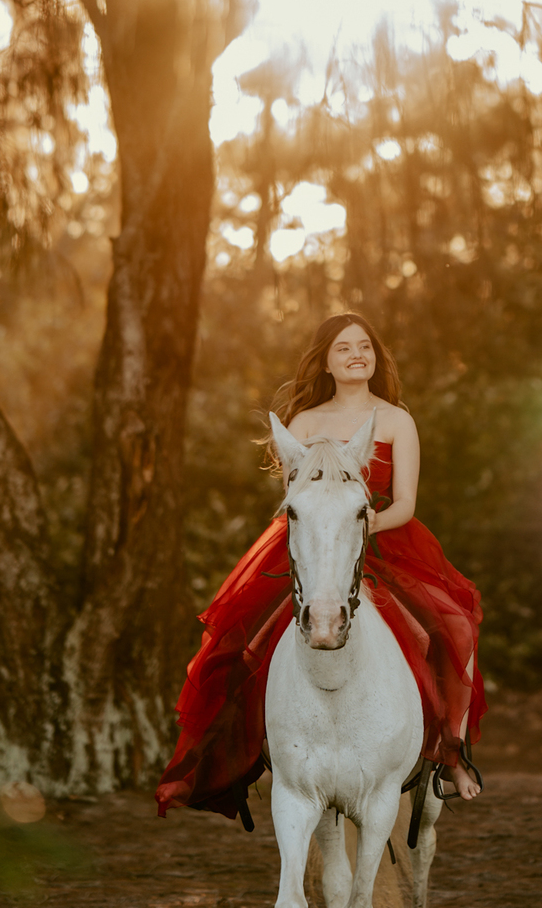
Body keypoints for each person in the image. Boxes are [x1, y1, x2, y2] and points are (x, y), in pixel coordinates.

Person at [155, 311, 486, 821]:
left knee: (453, 626)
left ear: (376, 357)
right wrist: (329, 535)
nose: (357, 355)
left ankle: (451, 754)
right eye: (344, 348)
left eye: (365, 347)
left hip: (383, 541)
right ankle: (247, 755)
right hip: (315, 547)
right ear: (326, 362)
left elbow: (405, 504)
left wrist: (361, 526)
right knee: (246, 641)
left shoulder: (397, 420)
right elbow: (299, 503)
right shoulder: (304, 424)